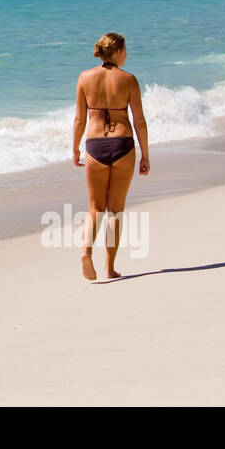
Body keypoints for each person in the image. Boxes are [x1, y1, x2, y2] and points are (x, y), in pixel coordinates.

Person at [72, 32, 150, 280]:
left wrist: (75, 148)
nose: (127, 55)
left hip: (95, 145)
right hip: (122, 145)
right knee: (115, 210)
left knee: (95, 207)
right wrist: (145, 154)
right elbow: (139, 121)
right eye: (125, 50)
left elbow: (79, 119)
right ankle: (109, 268)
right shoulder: (128, 79)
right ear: (117, 52)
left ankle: (86, 252)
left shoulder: (84, 78)